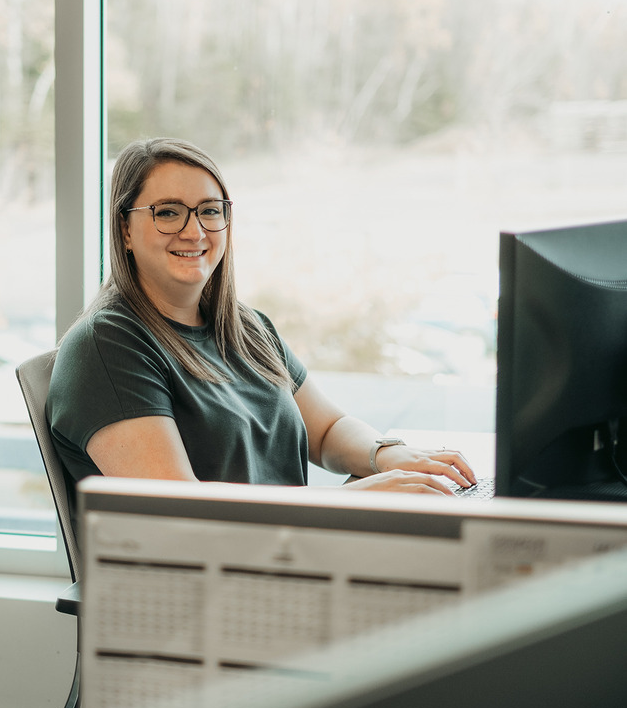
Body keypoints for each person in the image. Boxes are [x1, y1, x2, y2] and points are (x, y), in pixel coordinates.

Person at [48, 137, 475, 499]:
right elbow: (181, 514)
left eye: (210, 210)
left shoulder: (246, 327)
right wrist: (354, 499)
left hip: (289, 557)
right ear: (124, 229)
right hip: (213, 586)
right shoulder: (106, 346)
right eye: (168, 212)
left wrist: (386, 455)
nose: (194, 231)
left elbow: (327, 431)